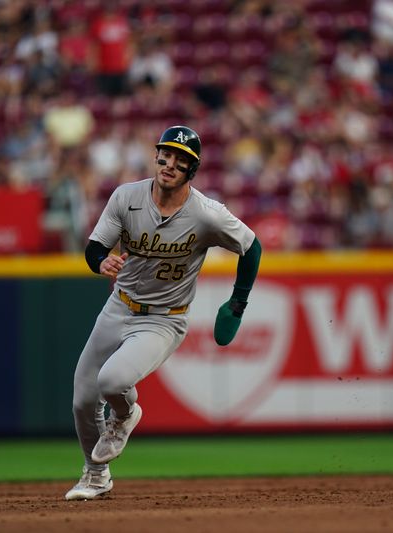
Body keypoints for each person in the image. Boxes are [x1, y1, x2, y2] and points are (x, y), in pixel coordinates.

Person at [65, 125, 262, 500]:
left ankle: (124, 415)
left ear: (192, 170)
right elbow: (95, 248)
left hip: (164, 317)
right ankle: (95, 476)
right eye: (166, 155)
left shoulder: (206, 213)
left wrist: (238, 303)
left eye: (181, 160)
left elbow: (252, 248)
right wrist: (100, 261)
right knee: (83, 398)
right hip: (119, 305)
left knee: (112, 380)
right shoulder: (127, 197)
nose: (170, 163)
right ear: (157, 156)